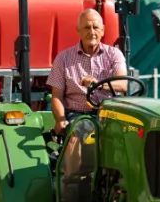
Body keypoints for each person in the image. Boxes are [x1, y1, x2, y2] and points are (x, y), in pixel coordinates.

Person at [46, 8, 129, 136]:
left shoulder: (114, 54)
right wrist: (60, 120)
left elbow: (123, 84)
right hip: (76, 114)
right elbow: (57, 96)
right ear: (78, 30)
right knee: (80, 130)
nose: (92, 32)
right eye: (86, 28)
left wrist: (98, 84)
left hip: (108, 113)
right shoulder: (63, 58)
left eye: (95, 27)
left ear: (103, 30)